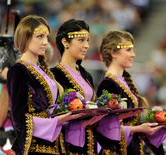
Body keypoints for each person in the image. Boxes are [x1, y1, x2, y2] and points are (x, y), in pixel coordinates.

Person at [50, 19, 141, 155]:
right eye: (81, 40)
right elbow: (52, 117)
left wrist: (117, 116)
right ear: (65, 42)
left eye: (87, 40)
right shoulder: (54, 75)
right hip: (67, 148)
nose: (87, 45)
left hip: (90, 147)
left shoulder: (87, 76)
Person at [97, 30, 166, 154]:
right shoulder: (108, 85)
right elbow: (104, 128)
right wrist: (138, 128)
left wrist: (160, 128)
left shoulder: (122, 82)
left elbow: (129, 125)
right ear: (114, 53)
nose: (133, 54)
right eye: (128, 50)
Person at [6, 15, 85, 155]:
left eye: (47, 37)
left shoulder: (42, 71)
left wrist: (77, 119)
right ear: (25, 37)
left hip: (53, 146)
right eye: (39, 36)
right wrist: (57, 120)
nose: (45, 42)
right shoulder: (18, 70)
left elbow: (51, 112)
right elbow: (19, 119)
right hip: (34, 148)